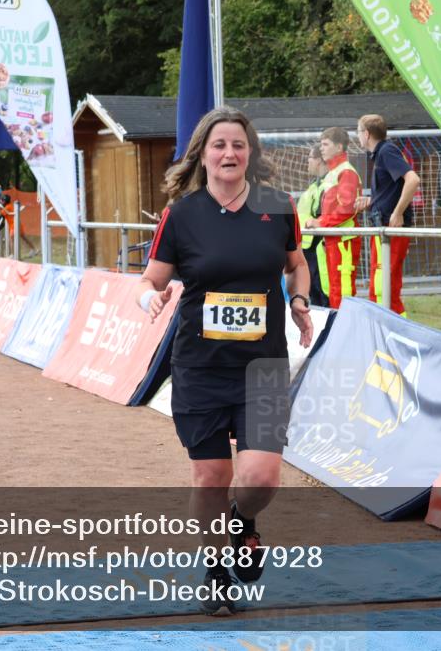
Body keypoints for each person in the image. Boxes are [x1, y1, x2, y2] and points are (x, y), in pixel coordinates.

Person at [136, 106, 313, 616]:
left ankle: (243, 523)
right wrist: (148, 297)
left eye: (238, 144)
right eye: (219, 145)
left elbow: (296, 266)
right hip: (200, 366)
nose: (229, 153)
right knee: (209, 477)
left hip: (262, 367)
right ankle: (216, 574)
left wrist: (299, 301)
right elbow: (150, 279)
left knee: (260, 478)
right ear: (203, 154)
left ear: (250, 152)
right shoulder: (182, 214)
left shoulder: (277, 206)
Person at [355, 114, 421, 316]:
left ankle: (395, 332)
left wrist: (398, 212)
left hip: (391, 230)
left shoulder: (386, 151)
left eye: (358, 132)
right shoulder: (381, 153)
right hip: (383, 228)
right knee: (382, 286)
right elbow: (391, 191)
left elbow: (413, 180)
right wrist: (372, 202)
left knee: (385, 288)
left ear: (366, 134)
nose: (357, 137)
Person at [304, 127, 362, 309]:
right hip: (331, 240)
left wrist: (320, 222)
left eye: (325, 144)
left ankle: (344, 331)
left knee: (341, 290)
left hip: (343, 241)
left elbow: (346, 208)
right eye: (321, 144)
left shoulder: (345, 172)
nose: (321, 148)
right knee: (331, 290)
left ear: (339, 147)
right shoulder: (333, 173)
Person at [295, 145, 330, 307]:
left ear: (319, 160)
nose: (307, 162)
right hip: (307, 246)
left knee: (321, 290)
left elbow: (322, 216)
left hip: (318, 247)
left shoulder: (326, 185)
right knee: (312, 292)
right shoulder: (314, 185)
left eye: (310, 158)